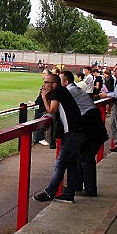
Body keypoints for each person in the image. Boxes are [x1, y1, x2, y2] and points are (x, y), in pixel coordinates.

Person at [33, 73, 85, 203]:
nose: (43, 85)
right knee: (71, 164)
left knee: (60, 163)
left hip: (73, 133)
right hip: (77, 132)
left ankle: (49, 192)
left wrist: (44, 97)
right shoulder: (62, 91)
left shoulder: (58, 92)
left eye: (46, 83)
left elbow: (51, 110)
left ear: (54, 84)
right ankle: (69, 193)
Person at [61, 70, 108, 197]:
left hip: (90, 123)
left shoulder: (69, 91)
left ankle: (90, 189)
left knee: (86, 158)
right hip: (92, 122)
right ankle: (79, 186)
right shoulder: (75, 89)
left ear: (65, 82)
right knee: (82, 156)